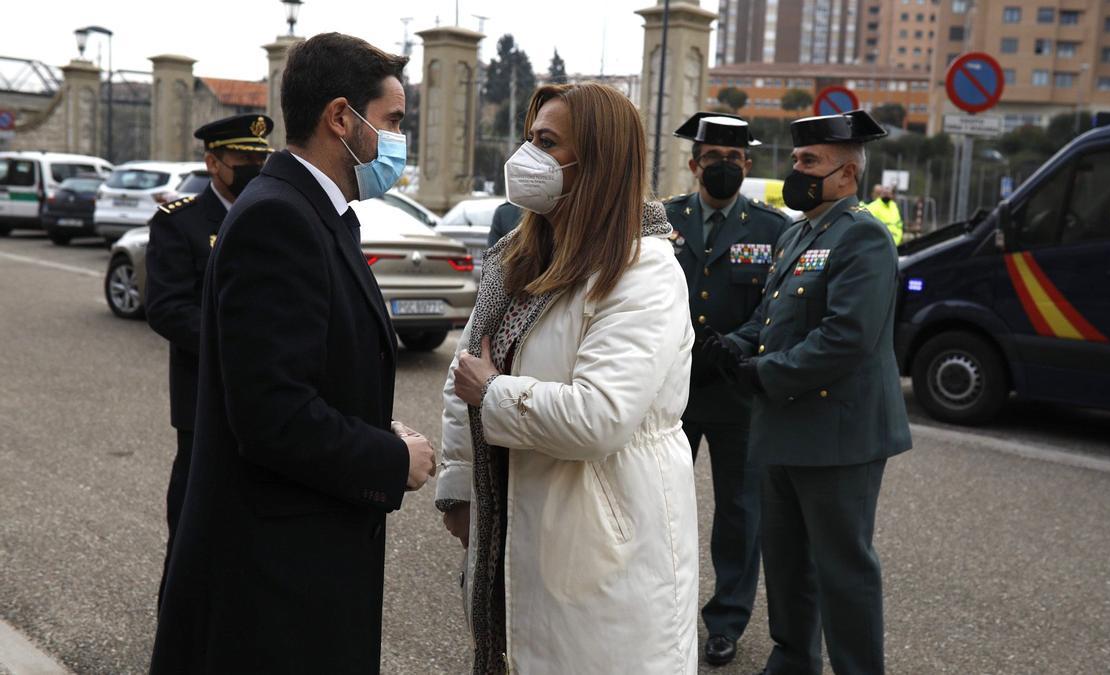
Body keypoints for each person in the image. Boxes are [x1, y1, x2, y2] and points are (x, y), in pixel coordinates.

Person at [150, 33, 436, 673]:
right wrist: (391, 457)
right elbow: (273, 416)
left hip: (300, 559)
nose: (398, 142)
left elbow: (308, 371)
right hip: (274, 580)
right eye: (392, 122)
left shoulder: (315, 211)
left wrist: (371, 421)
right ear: (341, 117)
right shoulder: (279, 218)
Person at [439, 82, 699, 674]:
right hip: (513, 513)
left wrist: (496, 394)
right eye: (530, 138)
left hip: (604, 533)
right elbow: (466, 371)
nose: (526, 157)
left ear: (599, 160)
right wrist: (458, 483)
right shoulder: (520, 253)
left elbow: (599, 417)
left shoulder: (642, 271)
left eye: (548, 143)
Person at [701, 110, 912, 675]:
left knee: (842, 569)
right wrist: (735, 345)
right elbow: (774, 319)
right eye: (795, 160)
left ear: (846, 174)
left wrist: (763, 374)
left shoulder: (863, 235)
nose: (797, 170)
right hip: (782, 428)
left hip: (838, 434)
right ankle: (793, 660)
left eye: (809, 162)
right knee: (787, 564)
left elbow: (846, 338)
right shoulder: (798, 231)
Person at [664, 111, 789, 667]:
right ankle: (665, 615)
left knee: (739, 513)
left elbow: (779, 304)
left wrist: (735, 344)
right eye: (713, 160)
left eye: (733, 161)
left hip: (737, 392)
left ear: (747, 165)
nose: (723, 168)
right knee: (663, 503)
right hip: (672, 392)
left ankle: (726, 621)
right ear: (694, 165)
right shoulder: (661, 220)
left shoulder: (772, 228)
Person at [144, 113, 273, 607]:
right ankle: (181, 626)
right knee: (195, 522)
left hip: (265, 396)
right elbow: (167, 309)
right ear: (213, 162)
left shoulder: (270, 215)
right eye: (243, 159)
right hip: (203, 398)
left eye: (261, 158)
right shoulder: (180, 221)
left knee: (252, 522)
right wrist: (240, 343)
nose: (254, 167)